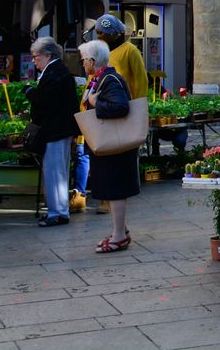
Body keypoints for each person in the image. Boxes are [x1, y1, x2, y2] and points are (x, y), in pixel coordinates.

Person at [73, 14, 151, 215]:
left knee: (114, 154)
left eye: (103, 33)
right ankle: (83, 193)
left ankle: (111, 197)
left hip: (118, 110)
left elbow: (140, 81)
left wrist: (138, 111)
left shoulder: (130, 51)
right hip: (97, 112)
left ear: (115, 34)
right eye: (98, 32)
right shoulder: (98, 53)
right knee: (90, 153)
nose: (100, 36)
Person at [79, 39, 138, 253]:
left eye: (84, 60)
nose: (82, 64)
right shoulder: (102, 78)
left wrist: (95, 104)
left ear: (93, 61)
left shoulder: (110, 79)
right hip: (109, 146)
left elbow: (120, 107)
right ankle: (119, 230)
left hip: (115, 147)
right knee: (110, 190)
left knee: (115, 190)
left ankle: (120, 235)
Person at [25, 37, 80, 227]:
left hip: (55, 130)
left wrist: (29, 92)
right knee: (59, 172)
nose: (34, 61)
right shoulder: (58, 71)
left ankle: (57, 212)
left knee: (55, 172)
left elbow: (45, 101)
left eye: (36, 57)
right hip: (60, 129)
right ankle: (59, 210)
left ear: (48, 55)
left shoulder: (55, 73)